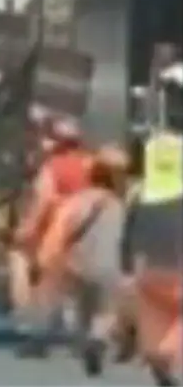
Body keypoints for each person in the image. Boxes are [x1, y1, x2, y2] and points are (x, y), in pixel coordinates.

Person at [20, 146, 130, 375]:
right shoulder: (119, 206)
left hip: (75, 264)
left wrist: (44, 261)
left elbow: (58, 235)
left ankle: (81, 343)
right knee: (107, 309)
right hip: (108, 266)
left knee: (76, 305)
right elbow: (126, 238)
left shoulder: (74, 202)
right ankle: (97, 339)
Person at [10, 116, 92, 323]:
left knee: (24, 263)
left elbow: (43, 202)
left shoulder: (52, 168)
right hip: (91, 235)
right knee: (80, 286)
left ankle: (32, 326)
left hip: (60, 234)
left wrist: (25, 232)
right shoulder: (93, 164)